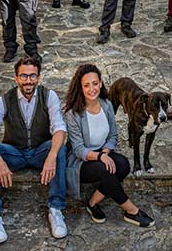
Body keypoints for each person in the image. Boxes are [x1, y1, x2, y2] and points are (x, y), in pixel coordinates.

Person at [0, 56, 68, 244]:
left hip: (40, 153)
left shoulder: (48, 96)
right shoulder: (5, 100)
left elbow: (59, 128)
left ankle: (56, 209)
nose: (28, 80)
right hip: (16, 153)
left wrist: (51, 156)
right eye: (24, 76)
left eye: (32, 75)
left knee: (59, 146)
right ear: (16, 78)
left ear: (39, 77)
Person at [63, 64, 154, 227]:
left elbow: (113, 135)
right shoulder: (73, 114)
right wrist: (100, 156)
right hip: (82, 161)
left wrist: (105, 151)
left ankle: (92, 202)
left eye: (95, 83)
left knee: (124, 165)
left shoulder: (106, 105)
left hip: (102, 152)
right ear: (80, 87)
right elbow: (78, 149)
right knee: (108, 170)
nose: (92, 89)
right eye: (86, 85)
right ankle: (131, 210)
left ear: (100, 83)